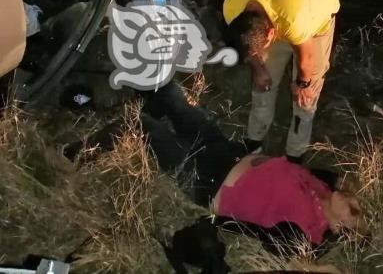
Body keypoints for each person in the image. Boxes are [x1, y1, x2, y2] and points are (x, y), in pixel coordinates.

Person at [140, 83, 363, 254]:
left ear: (338, 228)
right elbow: (347, 175)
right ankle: (140, 85)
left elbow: (292, 258)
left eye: (353, 210)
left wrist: (322, 268)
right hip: (226, 151)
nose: (352, 200)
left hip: (207, 181)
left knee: (148, 129)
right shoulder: (325, 187)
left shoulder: (307, 230)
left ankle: (126, 114)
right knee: (173, 97)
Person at [222, 0, 340, 162]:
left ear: (270, 33)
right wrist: (258, 69)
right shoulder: (232, 9)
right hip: (280, 8)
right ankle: (253, 142)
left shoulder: (296, 20)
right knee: (262, 85)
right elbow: (246, 48)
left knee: (305, 99)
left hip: (316, 15)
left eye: (260, 49)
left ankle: (295, 154)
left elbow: (307, 56)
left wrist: (302, 84)